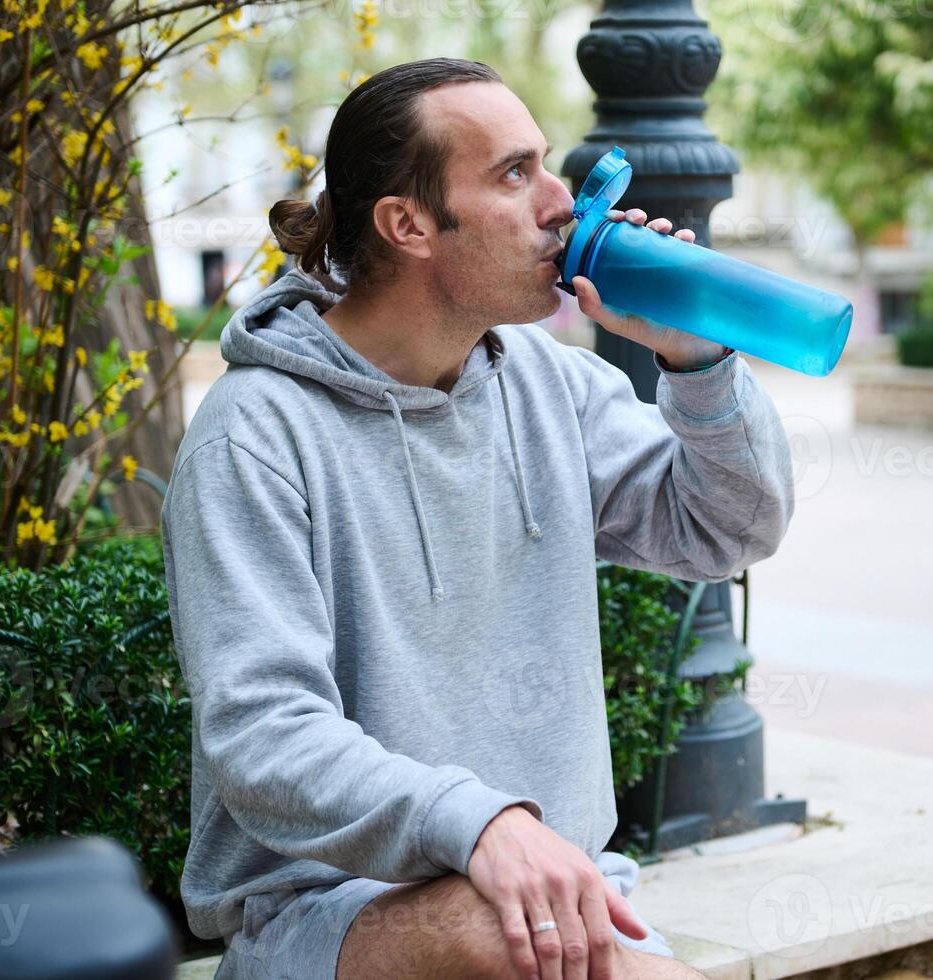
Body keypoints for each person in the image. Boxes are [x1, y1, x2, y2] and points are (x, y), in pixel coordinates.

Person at [161, 57, 795, 980]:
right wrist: (480, 822)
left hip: (561, 897)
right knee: (500, 931)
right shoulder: (254, 438)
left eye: (547, 166)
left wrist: (696, 362)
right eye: (513, 174)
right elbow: (263, 736)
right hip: (326, 918)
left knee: (530, 932)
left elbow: (728, 531)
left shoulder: (552, 387)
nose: (562, 202)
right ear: (407, 224)